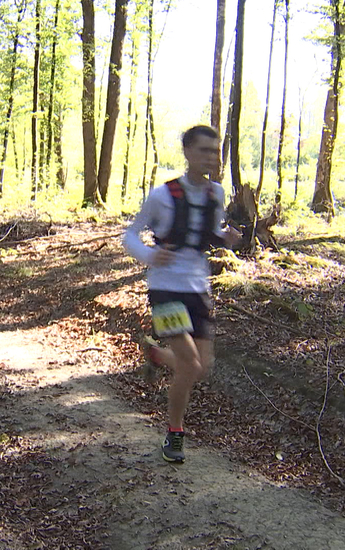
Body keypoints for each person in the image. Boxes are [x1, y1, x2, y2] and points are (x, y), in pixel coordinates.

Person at [122, 125, 240, 463]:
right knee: (189, 364)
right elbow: (130, 235)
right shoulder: (163, 196)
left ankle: (157, 356)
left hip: (198, 287)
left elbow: (208, 232)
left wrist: (226, 237)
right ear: (187, 152)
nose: (210, 157)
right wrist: (148, 255)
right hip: (165, 289)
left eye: (215, 151)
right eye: (204, 150)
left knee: (202, 367)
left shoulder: (216, 194)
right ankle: (175, 433)